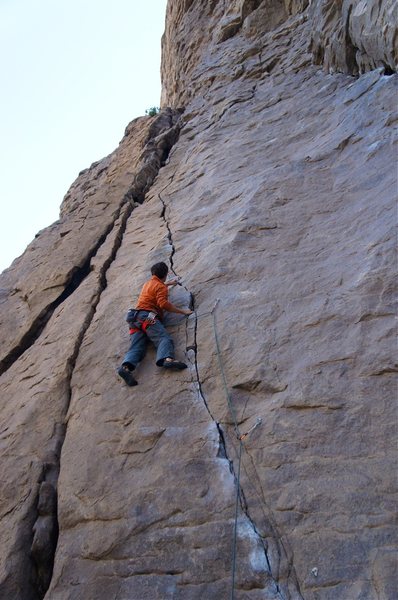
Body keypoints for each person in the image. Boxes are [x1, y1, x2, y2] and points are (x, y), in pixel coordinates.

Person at [118, 262, 193, 386]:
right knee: (163, 337)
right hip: (147, 318)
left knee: (137, 346)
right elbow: (163, 304)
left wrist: (167, 284)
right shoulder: (161, 287)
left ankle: (125, 368)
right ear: (165, 274)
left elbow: (156, 288)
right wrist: (182, 311)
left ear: (153, 274)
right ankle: (167, 359)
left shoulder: (147, 284)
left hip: (134, 319)